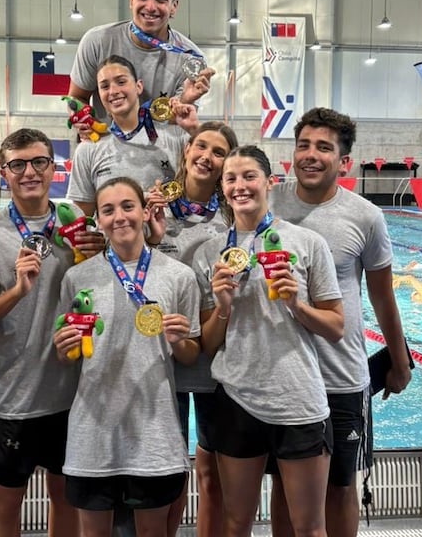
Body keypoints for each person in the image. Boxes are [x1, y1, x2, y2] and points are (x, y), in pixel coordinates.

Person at [264, 107, 411, 537]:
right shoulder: (270, 204)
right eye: (304, 145)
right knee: (284, 488)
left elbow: (383, 299)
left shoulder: (365, 217)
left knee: (341, 487)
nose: (310, 155)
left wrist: (399, 363)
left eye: (323, 147)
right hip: (284, 374)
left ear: (343, 161)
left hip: (342, 376)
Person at [0, 128, 102, 537]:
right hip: (13, 398)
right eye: (17, 164)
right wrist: (18, 291)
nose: (29, 172)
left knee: (65, 498)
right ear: (4, 173)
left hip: (73, 395)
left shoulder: (83, 230)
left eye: (39, 161)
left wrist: (94, 260)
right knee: (6, 500)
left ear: (54, 168)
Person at [192, 145, 344, 537]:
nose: (240, 185)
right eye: (231, 178)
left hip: (298, 400)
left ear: (269, 182)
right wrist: (223, 306)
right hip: (237, 397)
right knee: (236, 521)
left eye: (248, 177)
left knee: (309, 527)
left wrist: (297, 304)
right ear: (222, 188)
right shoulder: (211, 252)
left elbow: (335, 326)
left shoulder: (308, 244)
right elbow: (208, 345)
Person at [52, 177, 200, 537]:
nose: (119, 217)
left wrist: (179, 340)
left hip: (154, 435)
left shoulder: (179, 276)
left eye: (128, 206)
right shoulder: (77, 277)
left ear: (145, 211)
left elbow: (191, 356)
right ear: (98, 221)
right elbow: (68, 357)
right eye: (108, 210)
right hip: (93, 432)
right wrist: (63, 349)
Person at [145, 121, 238, 537]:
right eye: (201, 145)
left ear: (226, 164)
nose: (207, 156)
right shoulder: (155, 205)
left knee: (213, 473)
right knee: (166, 475)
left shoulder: (232, 215)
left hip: (216, 361)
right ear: (186, 150)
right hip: (164, 358)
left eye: (219, 152)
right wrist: (147, 234)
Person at [68, 0, 214, 124]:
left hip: (162, 148)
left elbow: (178, 124)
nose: (150, 6)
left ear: (174, 6)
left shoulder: (191, 59)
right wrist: (83, 121)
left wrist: (185, 101)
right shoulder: (97, 41)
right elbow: (77, 97)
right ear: (131, 0)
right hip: (106, 146)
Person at [66, 56, 192, 216]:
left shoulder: (176, 136)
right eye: (104, 86)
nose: (113, 91)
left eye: (121, 82)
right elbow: (84, 218)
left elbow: (201, 189)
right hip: (113, 239)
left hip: (171, 238)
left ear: (138, 86)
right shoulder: (88, 149)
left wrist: (193, 127)